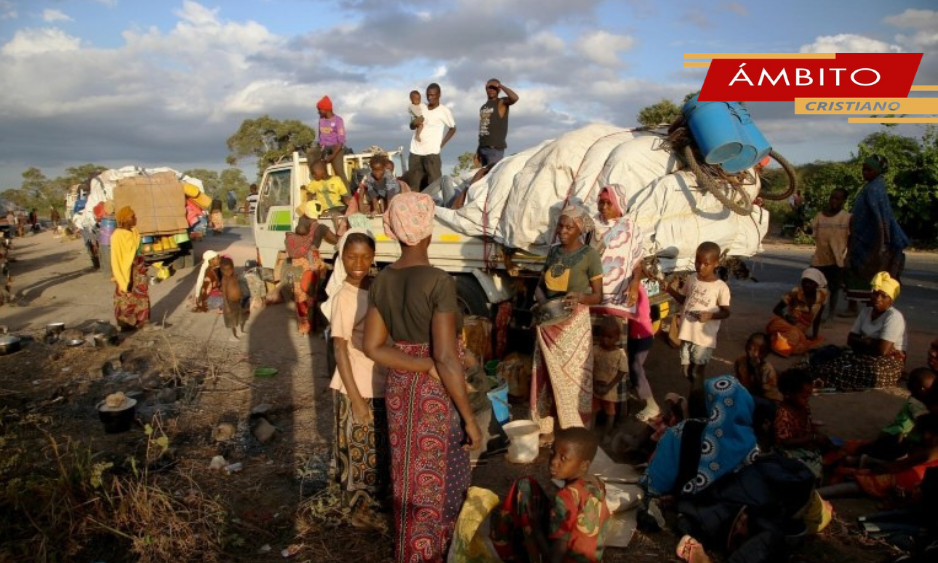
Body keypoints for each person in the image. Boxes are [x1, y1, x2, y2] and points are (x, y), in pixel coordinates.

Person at [362, 192, 482, 563]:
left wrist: (417, 364)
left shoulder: (383, 279)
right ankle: (434, 553)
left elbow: (374, 347)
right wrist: (469, 417)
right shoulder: (438, 281)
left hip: (401, 387)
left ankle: (411, 551)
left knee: (408, 473)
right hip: (435, 390)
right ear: (429, 230)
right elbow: (445, 358)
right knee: (440, 476)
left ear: (396, 232)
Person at [325, 229, 389, 527]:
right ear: (342, 258)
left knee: (374, 451)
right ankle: (360, 515)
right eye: (352, 256)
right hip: (356, 386)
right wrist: (356, 400)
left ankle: (372, 509)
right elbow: (339, 348)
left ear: (374, 257)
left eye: (365, 256)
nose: (359, 262)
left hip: (377, 383)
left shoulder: (375, 288)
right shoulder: (344, 296)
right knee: (359, 453)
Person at [532, 204, 603, 441]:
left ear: (580, 229)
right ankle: (547, 428)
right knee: (547, 377)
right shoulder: (554, 252)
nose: (562, 230)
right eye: (561, 225)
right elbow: (541, 285)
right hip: (548, 322)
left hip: (573, 325)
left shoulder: (590, 255)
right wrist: (541, 301)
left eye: (569, 226)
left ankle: (574, 431)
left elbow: (598, 295)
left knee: (572, 379)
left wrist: (580, 297)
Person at [490, 427, 611, 563]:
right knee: (527, 484)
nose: (553, 461)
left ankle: (509, 551)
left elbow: (554, 560)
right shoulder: (597, 484)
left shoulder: (566, 497)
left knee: (524, 488)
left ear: (584, 465)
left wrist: (536, 527)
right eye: (552, 452)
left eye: (563, 458)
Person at [591, 184, 658, 421]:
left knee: (616, 356)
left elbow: (636, 261)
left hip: (618, 300)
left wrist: (633, 283)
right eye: (601, 202)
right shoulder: (592, 225)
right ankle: (594, 406)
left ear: (619, 205)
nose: (604, 207)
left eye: (609, 203)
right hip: (594, 298)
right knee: (595, 355)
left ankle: (617, 410)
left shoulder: (630, 228)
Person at [813, 271, 907, 390]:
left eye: (884, 296)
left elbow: (882, 350)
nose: (878, 299)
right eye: (875, 294)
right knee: (827, 363)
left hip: (887, 363)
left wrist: (862, 341)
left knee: (844, 372)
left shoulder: (894, 317)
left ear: (891, 300)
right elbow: (850, 340)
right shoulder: (866, 312)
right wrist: (870, 342)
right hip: (864, 355)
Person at [844, 154, 909, 316]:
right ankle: (856, 306)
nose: (864, 172)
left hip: (871, 241)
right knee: (857, 272)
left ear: (878, 171)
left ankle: (868, 307)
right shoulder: (871, 186)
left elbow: (880, 218)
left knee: (868, 274)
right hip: (862, 238)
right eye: (863, 169)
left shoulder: (875, 188)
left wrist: (881, 244)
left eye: (869, 169)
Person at [666, 242, 731, 392]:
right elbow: (684, 300)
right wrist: (669, 290)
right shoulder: (692, 278)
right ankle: (699, 392)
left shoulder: (721, 287)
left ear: (716, 263)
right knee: (686, 370)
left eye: (705, 264)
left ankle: (698, 399)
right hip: (686, 334)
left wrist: (711, 315)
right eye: (697, 262)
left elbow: (726, 312)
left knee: (697, 372)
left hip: (703, 339)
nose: (700, 267)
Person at [774, 368, 834, 480]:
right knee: (807, 470)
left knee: (832, 448)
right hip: (790, 450)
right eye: (804, 397)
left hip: (806, 443)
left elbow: (808, 424)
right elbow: (785, 442)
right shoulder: (783, 414)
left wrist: (817, 435)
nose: (807, 400)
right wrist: (812, 438)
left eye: (809, 396)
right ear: (788, 394)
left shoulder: (804, 407)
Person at [285, 204, 337, 335]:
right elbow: (336, 240)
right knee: (311, 295)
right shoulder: (320, 228)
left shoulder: (299, 224)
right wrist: (337, 223)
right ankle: (312, 326)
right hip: (311, 263)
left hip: (296, 263)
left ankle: (303, 326)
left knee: (299, 294)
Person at [765, 268, 828, 357]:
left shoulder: (822, 295)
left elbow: (818, 317)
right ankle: (777, 341)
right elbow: (777, 309)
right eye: (804, 282)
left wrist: (814, 336)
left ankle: (774, 340)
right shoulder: (796, 292)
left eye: (810, 283)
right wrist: (786, 316)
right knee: (794, 336)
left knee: (800, 346)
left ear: (817, 284)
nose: (806, 285)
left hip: (799, 330)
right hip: (784, 323)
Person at [809, 188, 850, 320]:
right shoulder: (820, 216)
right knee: (817, 286)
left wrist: (848, 257)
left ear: (843, 201)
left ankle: (830, 314)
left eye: (838, 198)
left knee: (834, 288)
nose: (833, 201)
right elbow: (813, 232)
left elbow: (851, 238)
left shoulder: (847, 218)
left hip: (837, 259)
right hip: (820, 258)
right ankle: (815, 312)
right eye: (832, 197)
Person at [408, 83, 456, 192]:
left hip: (432, 153)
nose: (430, 97)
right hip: (415, 152)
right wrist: (414, 122)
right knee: (414, 186)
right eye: (428, 95)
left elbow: (453, 128)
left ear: (439, 95)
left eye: (433, 95)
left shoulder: (444, 111)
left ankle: (436, 207)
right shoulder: (421, 107)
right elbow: (411, 125)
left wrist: (441, 144)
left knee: (435, 186)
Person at [110, 206, 150, 330]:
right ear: (125, 219)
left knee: (141, 296)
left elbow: (137, 250)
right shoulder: (117, 235)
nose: (135, 219)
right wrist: (120, 276)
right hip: (125, 270)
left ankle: (143, 322)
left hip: (138, 269)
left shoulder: (135, 232)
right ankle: (125, 324)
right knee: (124, 296)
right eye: (133, 217)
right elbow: (116, 258)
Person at [592, 317, 629, 437]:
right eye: (603, 336)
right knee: (593, 410)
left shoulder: (619, 354)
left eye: (610, 337)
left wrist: (609, 386)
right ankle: (590, 431)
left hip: (610, 388)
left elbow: (623, 371)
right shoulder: (595, 350)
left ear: (617, 338)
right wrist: (593, 383)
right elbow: (590, 367)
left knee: (610, 412)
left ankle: (606, 434)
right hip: (595, 387)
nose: (605, 340)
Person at [477, 78, 519, 170]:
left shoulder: (501, 102)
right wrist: (478, 150)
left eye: (494, 88)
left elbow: (515, 98)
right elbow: (483, 128)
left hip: (494, 149)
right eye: (489, 88)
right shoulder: (483, 107)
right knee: (483, 180)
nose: (491, 90)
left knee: (492, 175)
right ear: (486, 89)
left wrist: (500, 85)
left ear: (498, 90)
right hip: (483, 148)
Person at [313, 95, 349, 188]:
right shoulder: (321, 119)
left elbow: (341, 141)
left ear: (325, 109)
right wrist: (321, 147)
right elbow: (320, 134)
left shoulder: (338, 120)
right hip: (324, 147)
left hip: (336, 148)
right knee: (320, 171)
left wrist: (332, 156)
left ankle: (348, 198)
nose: (318, 112)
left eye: (319, 109)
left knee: (339, 172)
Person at [220, 256, 246, 339]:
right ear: (222, 270)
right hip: (229, 303)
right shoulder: (225, 280)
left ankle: (240, 331)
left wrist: (241, 294)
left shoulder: (234, 276)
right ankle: (232, 335)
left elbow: (237, 286)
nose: (228, 272)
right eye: (225, 270)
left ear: (233, 268)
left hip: (237, 301)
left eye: (230, 269)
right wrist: (227, 306)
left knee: (239, 317)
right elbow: (224, 294)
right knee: (231, 320)